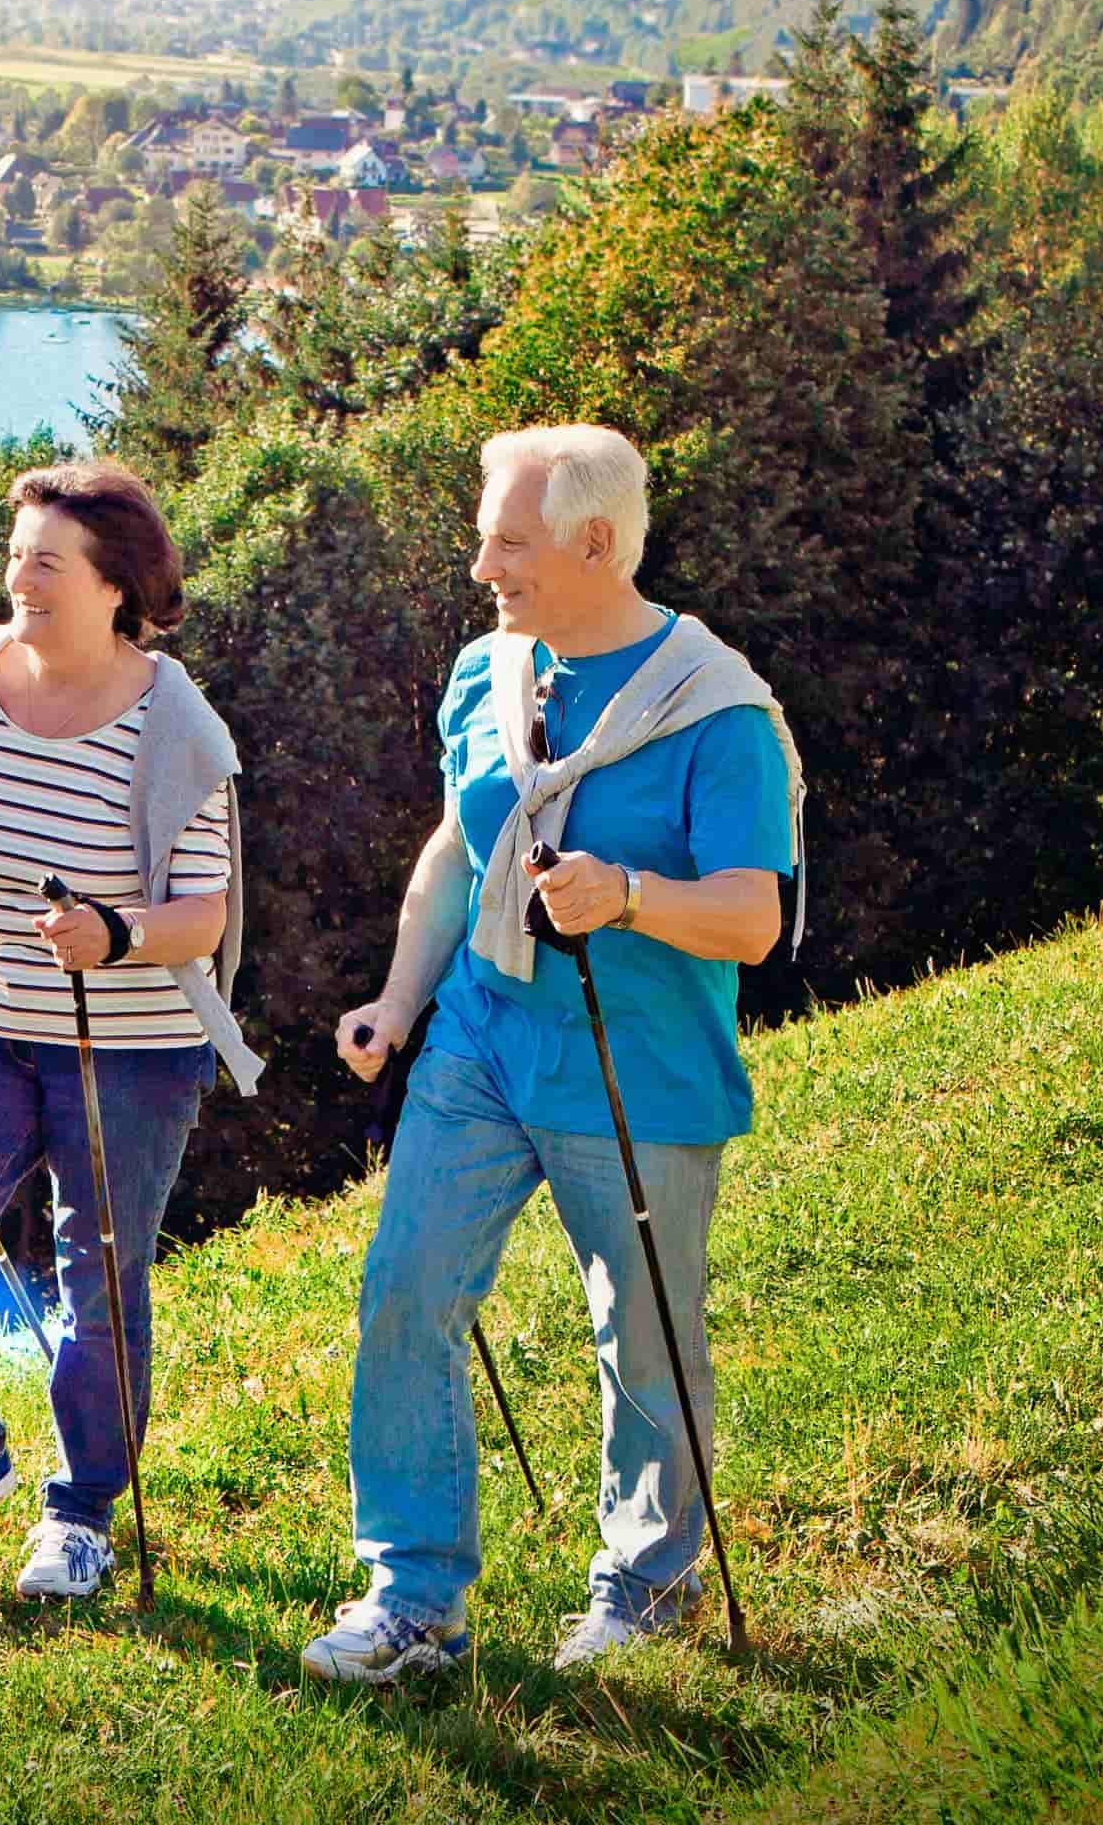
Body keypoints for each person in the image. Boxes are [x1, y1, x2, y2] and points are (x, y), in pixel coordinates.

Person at [308, 424, 803, 1681]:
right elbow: (456, 846)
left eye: (508, 541)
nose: (483, 565)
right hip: (482, 1033)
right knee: (407, 1289)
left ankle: (644, 1583)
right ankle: (413, 1597)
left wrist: (628, 892)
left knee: (639, 1332)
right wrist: (398, 998)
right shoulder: (490, 672)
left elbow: (753, 916)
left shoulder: (715, 709)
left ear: (594, 542)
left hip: (638, 1067)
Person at [0, 457, 260, 1599]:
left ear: (114, 583)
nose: (19, 579)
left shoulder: (177, 727)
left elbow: (205, 915)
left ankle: (81, 1512)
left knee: (96, 1278)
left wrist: (115, 933)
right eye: (14, 557)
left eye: (46, 561)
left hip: (126, 1048)